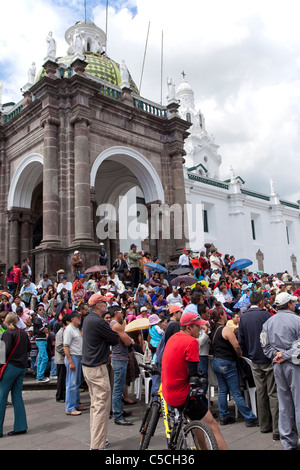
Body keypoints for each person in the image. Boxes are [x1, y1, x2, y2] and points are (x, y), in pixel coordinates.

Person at [161, 311, 228, 450]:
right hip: (182, 394)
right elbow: (193, 374)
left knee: (197, 421)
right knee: (213, 425)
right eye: (198, 326)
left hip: (169, 392)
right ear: (188, 328)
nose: (201, 329)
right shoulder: (191, 341)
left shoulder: (174, 337)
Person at [260, 291, 300, 450]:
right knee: (298, 403)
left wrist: (276, 355)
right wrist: (286, 355)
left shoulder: (268, 322)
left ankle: (288, 442)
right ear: (289, 304)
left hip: (278, 365)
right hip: (294, 365)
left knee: (284, 404)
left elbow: (264, 344)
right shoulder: (297, 320)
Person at [238, 291, 279, 440]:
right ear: (261, 302)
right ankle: (276, 427)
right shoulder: (265, 315)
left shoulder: (243, 318)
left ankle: (264, 425)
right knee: (273, 393)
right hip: (267, 358)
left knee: (261, 392)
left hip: (254, 359)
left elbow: (241, 340)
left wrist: (248, 354)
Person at [81, 293, 120, 451]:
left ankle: (98, 439)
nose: (106, 305)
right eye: (104, 303)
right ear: (98, 306)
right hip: (96, 368)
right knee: (101, 407)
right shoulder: (98, 321)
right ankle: (97, 445)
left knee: (95, 406)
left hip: (89, 367)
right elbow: (115, 338)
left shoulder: (88, 319)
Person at [209, 307, 259, 427]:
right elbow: (236, 346)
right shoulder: (225, 329)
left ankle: (224, 415)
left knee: (222, 390)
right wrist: (240, 354)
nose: (227, 316)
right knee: (236, 392)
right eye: (225, 314)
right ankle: (250, 417)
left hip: (216, 361)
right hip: (227, 361)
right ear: (221, 316)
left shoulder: (213, 329)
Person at [0, 313, 31, 437]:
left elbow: (4, 351)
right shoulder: (23, 333)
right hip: (21, 366)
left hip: (11, 366)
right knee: (17, 396)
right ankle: (20, 426)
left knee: (2, 396)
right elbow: (28, 348)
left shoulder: (8, 333)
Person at [109, 305, 135, 425]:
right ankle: (117, 415)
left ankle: (119, 410)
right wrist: (127, 335)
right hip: (119, 358)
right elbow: (127, 341)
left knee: (119, 386)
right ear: (116, 312)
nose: (123, 314)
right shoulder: (116, 325)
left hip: (119, 358)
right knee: (118, 389)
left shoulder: (115, 325)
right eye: (121, 312)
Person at [63, 311, 85, 416]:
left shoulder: (76, 329)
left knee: (76, 382)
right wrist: (70, 361)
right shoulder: (69, 330)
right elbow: (65, 346)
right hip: (73, 357)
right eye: (78, 318)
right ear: (72, 319)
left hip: (78, 357)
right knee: (71, 383)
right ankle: (70, 407)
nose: (79, 320)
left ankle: (75, 403)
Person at [54, 313, 70, 403]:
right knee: (61, 378)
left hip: (65, 359)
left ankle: (63, 394)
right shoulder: (60, 333)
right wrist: (68, 354)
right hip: (61, 359)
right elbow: (59, 347)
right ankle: (60, 395)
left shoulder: (65, 332)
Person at [32, 305, 49, 383]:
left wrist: (46, 330)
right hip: (40, 338)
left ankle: (39, 375)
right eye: (40, 309)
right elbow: (41, 329)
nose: (42, 310)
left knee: (40, 358)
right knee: (44, 357)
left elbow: (46, 328)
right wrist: (46, 331)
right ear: (37, 311)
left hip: (42, 338)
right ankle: (40, 376)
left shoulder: (42, 319)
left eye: (43, 309)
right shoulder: (37, 319)